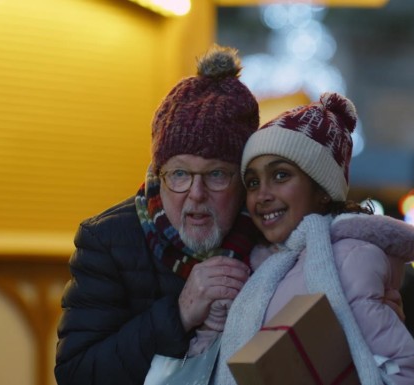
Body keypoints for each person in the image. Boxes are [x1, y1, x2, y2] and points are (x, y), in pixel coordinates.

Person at [54, 45, 262, 385]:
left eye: (216, 175)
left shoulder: (268, 233)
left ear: (241, 180)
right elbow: (77, 373)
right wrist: (178, 314)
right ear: (159, 173)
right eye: (180, 174)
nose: (196, 194)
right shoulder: (107, 240)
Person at [213, 92, 414, 385]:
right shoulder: (264, 271)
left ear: (323, 189)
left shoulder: (349, 259)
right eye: (253, 182)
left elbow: (405, 371)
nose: (262, 195)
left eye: (280, 176)